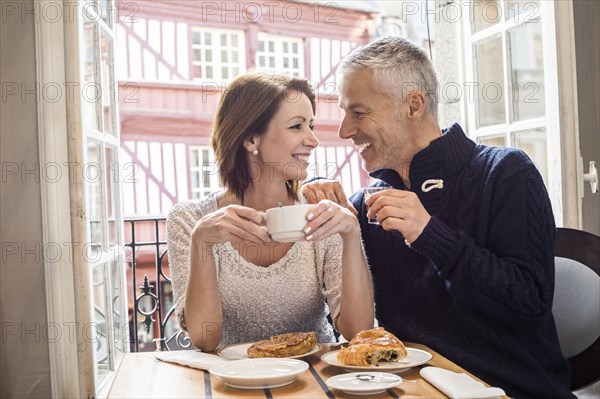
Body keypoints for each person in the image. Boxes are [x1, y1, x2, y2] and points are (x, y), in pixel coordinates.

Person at [302, 37, 574, 398]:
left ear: (413, 105)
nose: (344, 130)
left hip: (513, 391)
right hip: (410, 391)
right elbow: (348, 318)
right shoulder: (365, 207)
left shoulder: (506, 173)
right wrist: (314, 190)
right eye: (343, 112)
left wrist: (429, 233)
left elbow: (528, 302)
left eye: (359, 112)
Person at [167, 71, 374, 352]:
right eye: (296, 127)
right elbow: (206, 340)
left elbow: (358, 331)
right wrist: (201, 241)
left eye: (311, 125)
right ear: (251, 139)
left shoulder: (320, 212)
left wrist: (351, 234)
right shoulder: (190, 221)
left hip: (312, 378)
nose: (313, 140)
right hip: (235, 385)